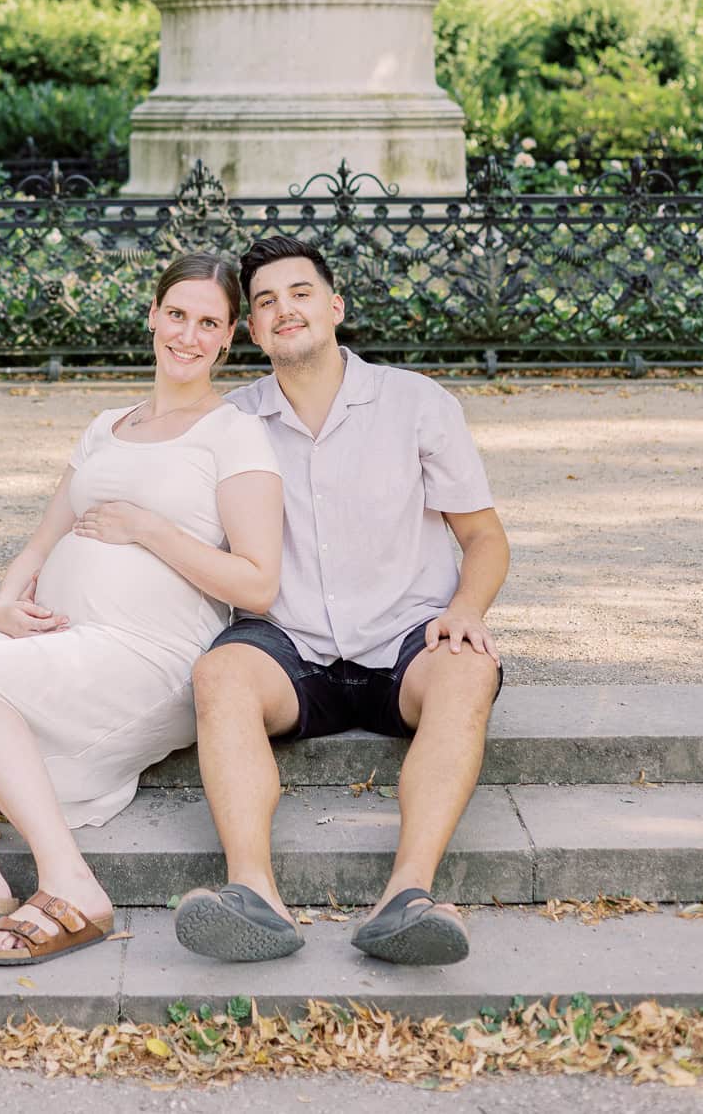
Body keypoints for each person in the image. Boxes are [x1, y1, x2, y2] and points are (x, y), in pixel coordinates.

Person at [0, 252, 284, 968]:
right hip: (68, 643)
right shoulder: (105, 425)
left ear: (231, 334)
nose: (188, 334)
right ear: (152, 315)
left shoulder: (234, 433)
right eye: (176, 313)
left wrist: (150, 529)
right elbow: (40, 541)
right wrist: (4, 600)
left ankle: (72, 886)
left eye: (209, 321)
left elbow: (258, 583)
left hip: (151, 657)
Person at [175, 235, 509, 967]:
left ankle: (408, 895)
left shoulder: (417, 402)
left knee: (467, 669)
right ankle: (252, 895)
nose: (283, 309)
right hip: (288, 648)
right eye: (264, 302)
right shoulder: (229, 423)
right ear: (252, 331)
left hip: (403, 641)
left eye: (299, 293)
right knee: (217, 674)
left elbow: (485, 537)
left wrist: (467, 609)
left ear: (334, 305)